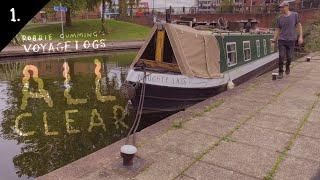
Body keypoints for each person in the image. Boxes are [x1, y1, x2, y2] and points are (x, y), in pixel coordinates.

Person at [272, 1, 303, 79]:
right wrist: (274, 40)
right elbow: (277, 29)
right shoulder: (279, 18)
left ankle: (288, 66)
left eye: (282, 7)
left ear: (287, 6)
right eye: (280, 8)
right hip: (282, 40)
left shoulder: (295, 15)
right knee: (281, 56)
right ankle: (280, 72)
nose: (281, 9)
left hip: (291, 40)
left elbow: (299, 26)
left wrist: (300, 36)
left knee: (289, 57)